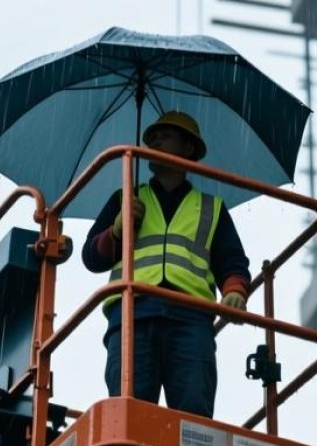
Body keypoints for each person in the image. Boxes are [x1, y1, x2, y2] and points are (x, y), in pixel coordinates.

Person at [82, 111, 251, 419]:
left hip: (191, 320)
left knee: (193, 421)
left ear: (188, 149)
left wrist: (235, 291)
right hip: (134, 311)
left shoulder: (212, 209)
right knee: (130, 415)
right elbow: (91, 257)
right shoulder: (125, 197)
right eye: (153, 138)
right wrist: (117, 231)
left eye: (166, 136)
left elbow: (233, 263)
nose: (156, 141)